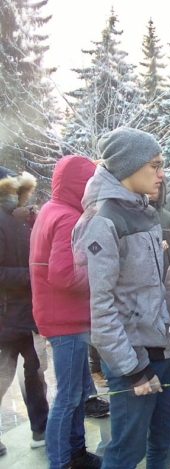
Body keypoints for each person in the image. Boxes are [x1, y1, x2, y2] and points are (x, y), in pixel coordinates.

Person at [72, 127, 170, 469]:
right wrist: (134, 370)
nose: (162, 174)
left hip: (164, 349)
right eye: (154, 165)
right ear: (128, 166)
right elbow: (101, 309)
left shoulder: (144, 209)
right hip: (133, 359)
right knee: (126, 451)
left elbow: (152, 286)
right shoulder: (103, 220)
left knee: (166, 441)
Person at [29, 155, 102, 468]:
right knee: (69, 397)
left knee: (76, 393)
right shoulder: (68, 218)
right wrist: (100, 274)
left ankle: (77, 453)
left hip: (59, 316)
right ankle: (61, 461)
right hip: (66, 321)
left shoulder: (51, 209)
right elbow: (63, 275)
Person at [0, 168, 48, 456]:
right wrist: (31, 274)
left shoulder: (21, 218)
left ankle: (41, 429)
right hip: (5, 316)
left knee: (35, 373)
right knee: (3, 377)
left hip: (29, 313)